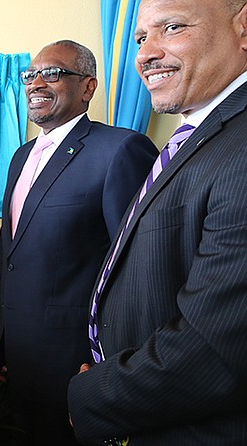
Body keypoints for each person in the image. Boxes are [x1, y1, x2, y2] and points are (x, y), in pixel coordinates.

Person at [67, 0, 247, 444]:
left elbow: (213, 351)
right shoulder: (199, 135)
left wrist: (94, 395)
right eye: (141, 38)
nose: (145, 54)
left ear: (243, 28)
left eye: (172, 26)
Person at [0, 40, 158, 445]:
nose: (36, 83)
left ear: (88, 87)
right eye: (31, 75)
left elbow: (135, 267)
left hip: (77, 361)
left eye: (53, 73)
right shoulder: (21, 156)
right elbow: (6, 254)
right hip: (19, 356)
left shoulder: (120, 150)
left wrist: (112, 358)